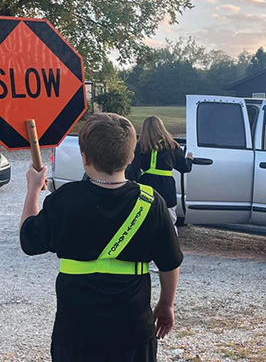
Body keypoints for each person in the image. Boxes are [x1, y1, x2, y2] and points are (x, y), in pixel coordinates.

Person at [19, 113, 184, 362]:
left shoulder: (64, 200)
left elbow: (28, 240)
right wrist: (166, 304)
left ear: (84, 159)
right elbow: (170, 263)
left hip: (75, 335)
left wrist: (33, 189)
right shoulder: (151, 203)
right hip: (134, 333)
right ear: (131, 157)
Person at [126, 116, 193, 227]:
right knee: (169, 220)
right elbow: (185, 168)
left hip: (146, 186)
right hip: (167, 187)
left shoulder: (140, 146)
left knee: (145, 219)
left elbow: (133, 171)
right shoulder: (172, 146)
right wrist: (189, 160)